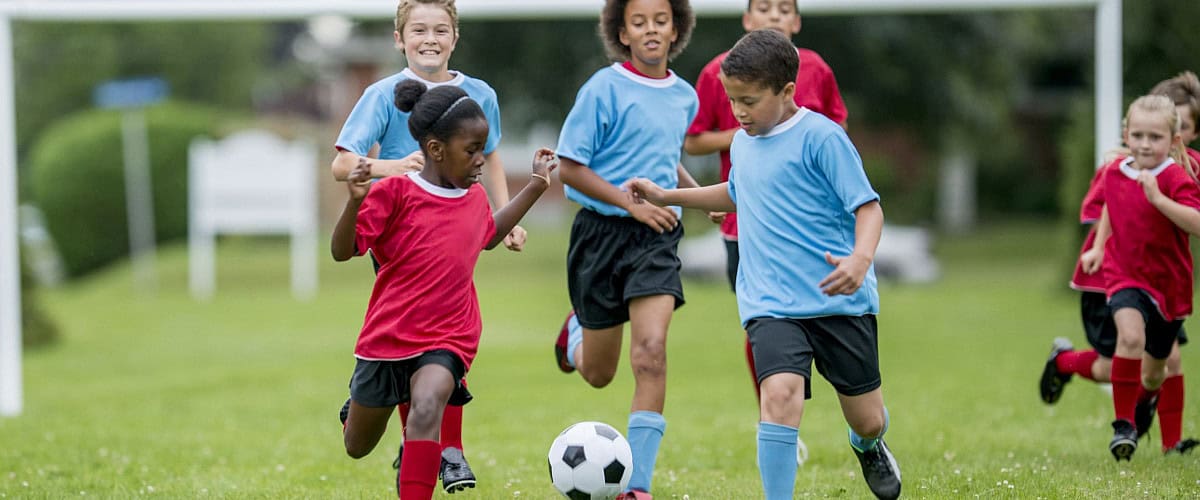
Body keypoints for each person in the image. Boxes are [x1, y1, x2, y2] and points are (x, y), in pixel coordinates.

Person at [628, 29, 899, 500]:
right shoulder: (743, 143)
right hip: (771, 302)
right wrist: (669, 194)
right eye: (733, 101)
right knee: (778, 396)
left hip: (837, 300)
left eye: (749, 101)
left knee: (868, 417)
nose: (738, 113)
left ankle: (869, 445)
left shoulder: (823, 139)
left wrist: (860, 258)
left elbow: (868, 207)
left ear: (787, 91)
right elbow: (737, 192)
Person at [330, 0, 522, 492]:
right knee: (413, 326)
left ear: (455, 36)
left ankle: (446, 448)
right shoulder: (381, 94)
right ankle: (391, 408)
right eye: (418, 30)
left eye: (441, 29)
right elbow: (342, 163)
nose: (430, 39)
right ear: (400, 39)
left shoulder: (479, 94)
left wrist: (508, 213)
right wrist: (389, 168)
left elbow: (492, 156)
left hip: (457, 218)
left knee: (445, 323)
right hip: (397, 224)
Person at [682, 0, 848, 461]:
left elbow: (836, 131)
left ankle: (856, 415)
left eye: (784, 8)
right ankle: (777, 421)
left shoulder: (817, 69)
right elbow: (693, 139)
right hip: (746, 226)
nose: (774, 15)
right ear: (747, 20)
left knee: (824, 322)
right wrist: (752, 125)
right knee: (765, 323)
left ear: (795, 20)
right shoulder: (720, 73)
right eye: (763, 7)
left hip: (812, 231)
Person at [550, 0, 697, 498]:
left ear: (676, 27)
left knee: (651, 353)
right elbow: (570, 167)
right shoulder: (602, 89)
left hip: (656, 236)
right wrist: (628, 204)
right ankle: (573, 337)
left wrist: (696, 196)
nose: (651, 30)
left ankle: (638, 486)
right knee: (597, 373)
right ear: (622, 32)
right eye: (639, 22)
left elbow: (663, 153)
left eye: (661, 20)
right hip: (600, 236)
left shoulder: (685, 96)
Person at [1041, 72, 1200, 456]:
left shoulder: (1185, 170)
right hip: (1116, 276)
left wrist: (1160, 200)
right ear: (1128, 133)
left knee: (1146, 366)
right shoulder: (1118, 167)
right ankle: (1138, 428)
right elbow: (1110, 205)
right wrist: (1096, 248)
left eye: (1161, 132)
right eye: (1139, 134)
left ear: (1181, 134)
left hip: (1166, 282)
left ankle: (1068, 364)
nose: (1146, 143)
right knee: (1131, 346)